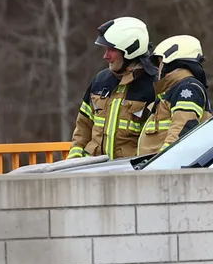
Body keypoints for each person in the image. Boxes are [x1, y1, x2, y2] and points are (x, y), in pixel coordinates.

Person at [67, 17, 158, 160]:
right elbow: (83, 128)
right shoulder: (100, 80)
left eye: (112, 50)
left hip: (130, 174)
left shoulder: (154, 85)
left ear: (130, 49)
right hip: (94, 170)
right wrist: (74, 161)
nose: (106, 56)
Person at [138, 35, 210, 155]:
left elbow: (181, 132)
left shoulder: (187, 88)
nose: (158, 70)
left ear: (170, 63)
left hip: (165, 169)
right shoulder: (174, 90)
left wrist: (160, 164)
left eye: (160, 63)